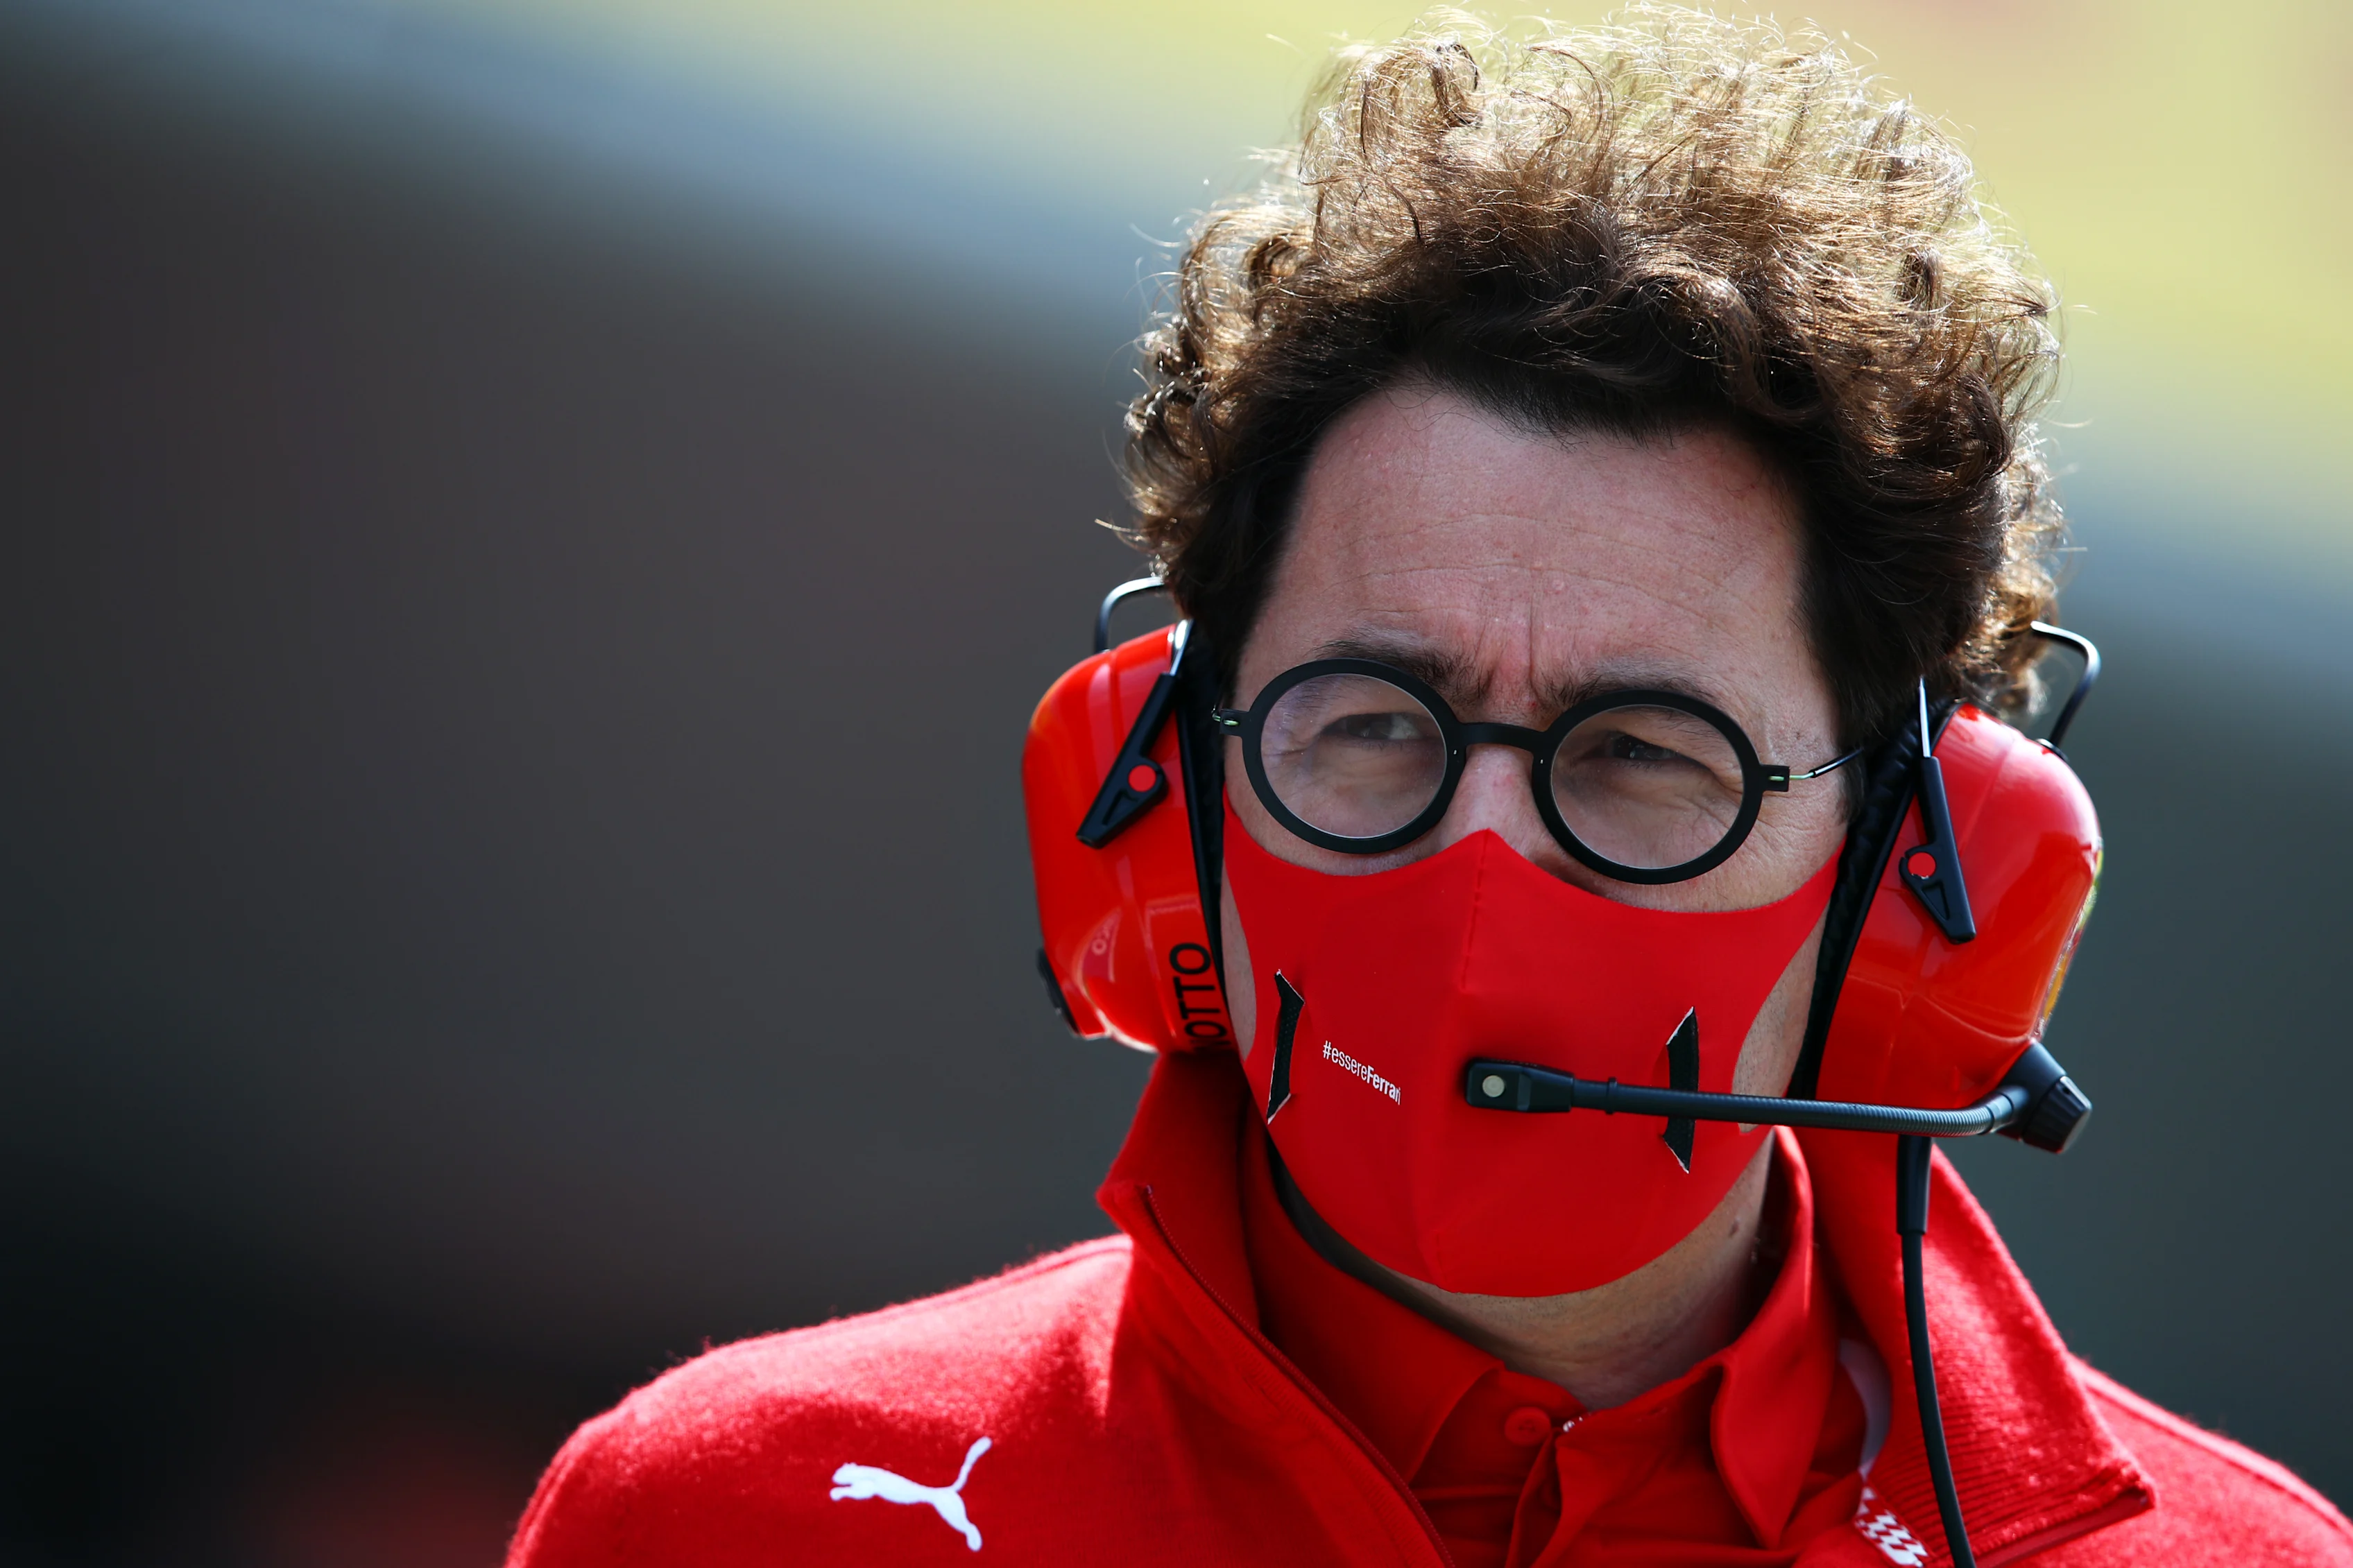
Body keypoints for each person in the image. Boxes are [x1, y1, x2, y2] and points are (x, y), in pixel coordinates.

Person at [504, 10, 2353, 1565]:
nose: (1484, 849)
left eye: (1642, 756)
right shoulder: (732, 1512)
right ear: (1164, 795)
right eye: (1375, 718)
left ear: (1904, 875)